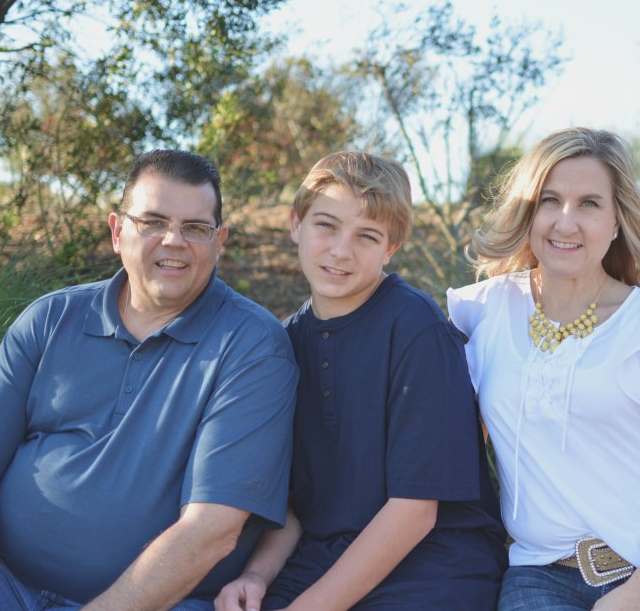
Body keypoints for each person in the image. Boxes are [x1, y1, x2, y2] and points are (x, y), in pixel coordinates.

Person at [0, 149, 299, 611]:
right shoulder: (50, 320)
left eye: (195, 228)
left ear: (218, 242)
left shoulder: (253, 346)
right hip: (1, 581)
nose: (174, 241)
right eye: (153, 222)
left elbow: (211, 531)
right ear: (118, 231)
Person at [447, 127, 640, 611]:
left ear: (617, 221)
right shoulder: (482, 311)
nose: (566, 222)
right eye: (549, 200)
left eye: (589, 204)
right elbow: (442, 443)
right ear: (528, 211)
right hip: (545, 576)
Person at [214, 151, 507, 611]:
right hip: (324, 558)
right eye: (326, 225)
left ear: (391, 248)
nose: (340, 251)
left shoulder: (416, 328)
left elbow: (415, 512)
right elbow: (298, 507)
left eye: (366, 236)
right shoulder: (283, 344)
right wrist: (256, 575)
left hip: (432, 564)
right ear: (296, 224)